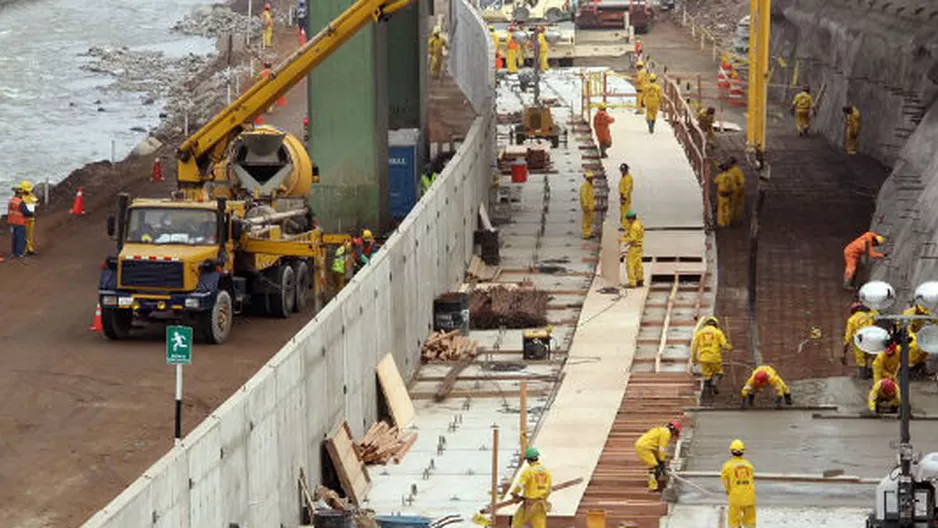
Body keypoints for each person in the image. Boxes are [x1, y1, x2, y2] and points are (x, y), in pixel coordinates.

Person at [510, 447, 552, 528]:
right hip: (540, 505)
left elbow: (519, 485)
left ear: (528, 460)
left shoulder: (528, 471)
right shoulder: (546, 471)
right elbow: (549, 489)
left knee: (517, 522)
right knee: (540, 526)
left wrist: (514, 493)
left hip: (529, 504)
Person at [634, 420, 681, 492]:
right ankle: (653, 487)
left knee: (657, 465)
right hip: (644, 448)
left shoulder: (661, 430)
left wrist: (661, 461)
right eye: (675, 433)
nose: (674, 436)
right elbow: (662, 449)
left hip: (646, 447)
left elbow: (658, 448)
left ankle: (655, 484)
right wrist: (662, 461)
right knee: (654, 467)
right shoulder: (666, 434)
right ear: (674, 430)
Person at [692, 316, 732, 396]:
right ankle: (714, 384)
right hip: (715, 358)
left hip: (703, 358)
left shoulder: (699, 333)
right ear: (716, 324)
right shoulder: (718, 332)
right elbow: (724, 344)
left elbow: (694, 347)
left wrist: (694, 359)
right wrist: (729, 347)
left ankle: (708, 392)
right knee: (718, 373)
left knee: (707, 376)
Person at [721, 439, 756, 528]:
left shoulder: (727, 466)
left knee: (733, 521)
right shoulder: (749, 465)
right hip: (749, 496)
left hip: (735, 497)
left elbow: (725, 481)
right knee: (750, 521)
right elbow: (752, 479)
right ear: (743, 451)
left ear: (731, 451)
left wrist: (728, 491)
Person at [844, 302, 878, 379]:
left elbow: (848, 334)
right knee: (873, 356)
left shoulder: (851, 320)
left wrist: (845, 345)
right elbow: (877, 316)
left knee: (861, 359)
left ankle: (863, 376)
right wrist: (871, 307)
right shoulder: (868, 316)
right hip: (870, 339)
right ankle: (875, 373)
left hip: (859, 341)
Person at [7, 185, 34, 258]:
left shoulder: (11, 200)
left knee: (14, 238)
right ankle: (19, 253)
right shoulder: (20, 202)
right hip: (20, 222)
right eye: (22, 193)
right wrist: (32, 213)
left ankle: (14, 252)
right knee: (21, 238)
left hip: (12, 222)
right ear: (19, 194)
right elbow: (26, 212)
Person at [620, 210, 645, 288]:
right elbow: (634, 232)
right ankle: (640, 280)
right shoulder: (638, 223)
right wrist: (627, 234)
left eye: (628, 219)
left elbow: (632, 238)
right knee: (638, 264)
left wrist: (621, 239)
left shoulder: (634, 227)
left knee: (630, 264)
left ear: (631, 219)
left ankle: (632, 283)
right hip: (639, 247)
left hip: (634, 247)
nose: (627, 221)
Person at [19, 180, 38, 255]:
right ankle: (23, 250)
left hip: (31, 218)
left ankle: (30, 248)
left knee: (30, 235)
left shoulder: (31, 195)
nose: (28, 191)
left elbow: (35, 201)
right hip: (24, 219)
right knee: (23, 235)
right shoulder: (20, 197)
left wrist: (36, 205)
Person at [713, 163, 734, 228]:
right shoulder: (731, 176)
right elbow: (733, 185)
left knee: (721, 209)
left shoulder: (720, 176)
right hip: (728, 195)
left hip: (721, 195)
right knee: (727, 209)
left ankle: (721, 223)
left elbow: (715, 181)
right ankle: (728, 222)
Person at [726, 157, 746, 223]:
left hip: (736, 191)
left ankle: (733, 220)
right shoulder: (730, 170)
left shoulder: (736, 170)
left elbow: (741, 181)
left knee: (734, 206)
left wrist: (740, 190)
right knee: (731, 206)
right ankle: (731, 219)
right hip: (731, 191)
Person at [579, 172, 595, 239]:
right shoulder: (585, 186)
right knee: (586, 220)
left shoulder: (590, 185)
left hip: (590, 205)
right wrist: (585, 205)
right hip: (587, 206)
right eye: (590, 178)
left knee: (589, 220)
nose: (591, 179)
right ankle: (585, 234)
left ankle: (588, 232)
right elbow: (583, 196)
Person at [618, 163, 633, 230]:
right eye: (621, 170)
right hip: (622, 196)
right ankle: (624, 225)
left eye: (623, 170)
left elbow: (628, 188)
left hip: (625, 198)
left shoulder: (628, 178)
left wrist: (624, 197)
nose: (622, 171)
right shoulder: (623, 177)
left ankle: (626, 226)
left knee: (625, 212)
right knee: (623, 211)